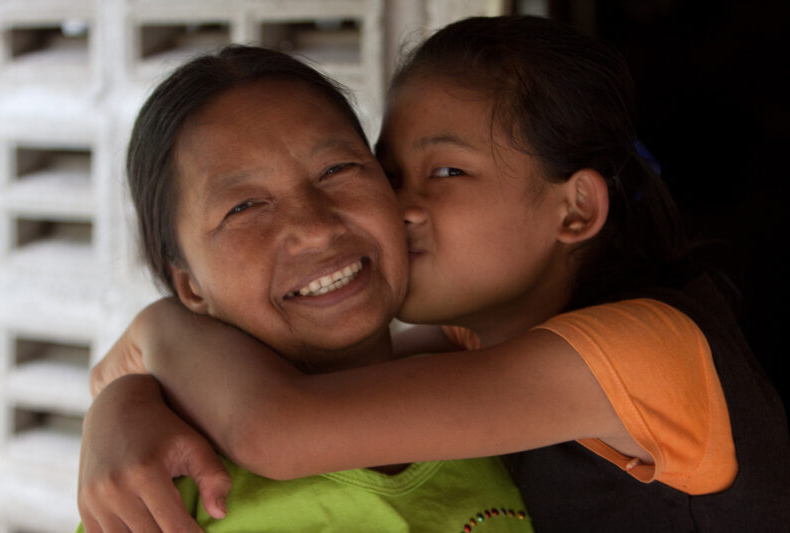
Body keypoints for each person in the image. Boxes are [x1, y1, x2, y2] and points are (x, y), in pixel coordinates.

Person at [80, 16, 790, 532]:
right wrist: (126, 400)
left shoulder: (645, 353)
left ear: (575, 211)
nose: (398, 207)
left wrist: (157, 328)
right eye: (388, 172)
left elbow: (280, 426)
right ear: (188, 275)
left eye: (446, 171)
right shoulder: (483, 343)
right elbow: (323, 387)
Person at [76, 45, 533, 533]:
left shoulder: (499, 375)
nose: (315, 228)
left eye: (337, 170)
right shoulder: (155, 490)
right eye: (245, 206)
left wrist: (147, 348)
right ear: (189, 286)